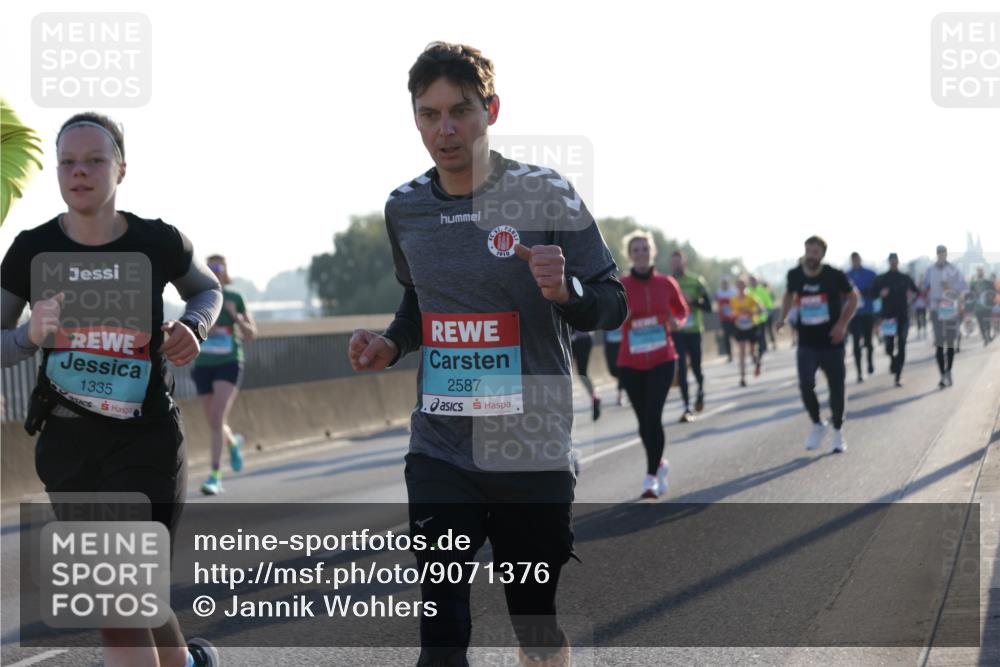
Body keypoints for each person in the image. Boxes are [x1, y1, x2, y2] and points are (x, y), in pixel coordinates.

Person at [347, 42, 626, 667]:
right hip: (442, 449)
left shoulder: (546, 193)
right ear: (415, 119)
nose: (445, 130)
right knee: (442, 633)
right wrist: (391, 342)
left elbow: (612, 301)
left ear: (491, 110)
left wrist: (568, 291)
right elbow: (419, 303)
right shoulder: (405, 208)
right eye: (429, 114)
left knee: (534, 625)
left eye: (461, 111)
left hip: (532, 448)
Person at [0, 113, 222, 666]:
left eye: (94, 161)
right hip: (69, 446)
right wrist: (28, 335)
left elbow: (207, 289)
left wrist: (194, 327)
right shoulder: (31, 251)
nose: (80, 172)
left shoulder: (157, 241)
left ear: (121, 169)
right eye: (68, 163)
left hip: (145, 439)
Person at [617, 231, 688, 498]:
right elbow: (610, 314)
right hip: (630, 361)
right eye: (635, 249)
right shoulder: (621, 285)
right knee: (643, 423)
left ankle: (650, 478)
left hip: (662, 358)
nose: (641, 253)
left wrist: (677, 322)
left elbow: (681, 310)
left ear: (652, 252)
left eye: (645, 248)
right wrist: (619, 317)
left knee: (653, 417)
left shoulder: (666, 283)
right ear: (629, 255)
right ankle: (659, 465)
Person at [777, 235, 858, 454]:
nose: (811, 256)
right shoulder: (794, 275)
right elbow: (788, 295)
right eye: (808, 251)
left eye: (815, 252)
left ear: (822, 254)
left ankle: (838, 430)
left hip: (832, 341)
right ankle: (817, 423)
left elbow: (853, 298)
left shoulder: (834, 275)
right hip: (807, 341)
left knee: (836, 388)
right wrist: (782, 317)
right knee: (805, 384)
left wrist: (841, 325)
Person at [192, 254, 256, 495]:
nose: (214, 270)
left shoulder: (234, 297)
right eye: (209, 267)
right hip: (203, 363)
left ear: (225, 270)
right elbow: (189, 328)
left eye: (218, 267)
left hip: (228, 362)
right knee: (214, 422)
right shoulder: (199, 297)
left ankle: (215, 476)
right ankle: (233, 442)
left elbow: (252, 334)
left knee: (217, 417)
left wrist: (235, 316)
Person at [669, 250, 711, 422]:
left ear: (684, 263)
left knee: (696, 366)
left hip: (694, 330)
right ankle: (686, 407)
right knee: (681, 369)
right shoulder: (669, 282)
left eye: (678, 262)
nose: (676, 265)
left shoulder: (696, 281)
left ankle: (700, 391)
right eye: (673, 262)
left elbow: (708, 306)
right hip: (677, 332)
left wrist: (692, 301)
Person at [922, 245, 967, 388]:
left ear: (947, 254)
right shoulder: (930, 270)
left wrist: (951, 289)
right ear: (936, 255)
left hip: (950, 309)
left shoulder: (954, 270)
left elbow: (964, 288)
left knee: (950, 342)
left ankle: (949, 370)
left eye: (943, 253)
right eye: (939, 253)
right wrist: (926, 293)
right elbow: (924, 288)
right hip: (936, 309)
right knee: (939, 343)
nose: (941, 256)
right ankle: (942, 375)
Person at [873, 253, 918, 387]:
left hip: (903, 315)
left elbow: (916, 291)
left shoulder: (905, 278)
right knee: (889, 346)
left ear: (898, 262)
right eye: (891, 261)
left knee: (902, 344)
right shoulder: (882, 278)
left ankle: (898, 375)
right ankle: (893, 359)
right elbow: (872, 293)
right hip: (888, 317)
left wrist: (911, 295)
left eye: (895, 261)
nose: (893, 263)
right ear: (889, 262)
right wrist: (880, 293)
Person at [846, 252, 877, 383]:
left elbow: (876, 290)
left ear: (860, 260)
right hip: (853, 314)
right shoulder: (847, 275)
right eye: (853, 260)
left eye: (857, 260)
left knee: (868, 341)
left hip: (867, 312)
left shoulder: (870, 274)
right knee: (855, 342)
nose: (855, 262)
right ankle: (859, 372)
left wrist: (867, 291)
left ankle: (869, 362)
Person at [730, 277, 766, 387]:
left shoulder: (752, 298)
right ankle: (742, 377)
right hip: (740, 327)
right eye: (738, 285)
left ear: (745, 286)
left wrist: (751, 312)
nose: (740, 288)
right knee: (741, 352)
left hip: (751, 326)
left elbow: (761, 310)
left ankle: (757, 363)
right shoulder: (733, 300)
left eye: (742, 285)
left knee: (752, 351)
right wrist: (736, 315)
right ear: (736, 287)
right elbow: (732, 314)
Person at [570, 328, 601, 420]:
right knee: (579, 373)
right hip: (576, 339)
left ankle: (594, 398)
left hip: (582, 339)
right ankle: (594, 398)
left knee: (581, 373)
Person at [746, 275, 773, 358]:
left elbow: (768, 301)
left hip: (762, 316)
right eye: (752, 280)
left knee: (762, 333)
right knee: (756, 334)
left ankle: (763, 347)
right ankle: (757, 349)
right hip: (752, 317)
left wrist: (767, 310)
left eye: (754, 280)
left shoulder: (762, 290)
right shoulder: (747, 291)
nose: (753, 282)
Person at [970, 267, 995, 346]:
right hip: (977, 307)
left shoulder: (987, 282)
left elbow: (993, 291)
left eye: (981, 271)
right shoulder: (974, 283)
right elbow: (970, 293)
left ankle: (988, 335)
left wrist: (990, 297)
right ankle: (985, 337)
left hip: (986, 306)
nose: (979, 273)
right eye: (978, 272)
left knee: (987, 321)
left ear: (983, 273)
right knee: (980, 322)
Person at [602, 323, 625, 406]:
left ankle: (620, 395)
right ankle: (626, 383)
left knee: (621, 370)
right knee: (613, 371)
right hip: (610, 343)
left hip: (622, 342)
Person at [716, 277, 737, 362]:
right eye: (723, 283)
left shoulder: (733, 291)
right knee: (726, 337)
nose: (725, 284)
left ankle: (742, 350)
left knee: (737, 335)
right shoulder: (719, 292)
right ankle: (729, 354)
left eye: (726, 283)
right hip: (724, 318)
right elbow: (718, 304)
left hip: (734, 318)